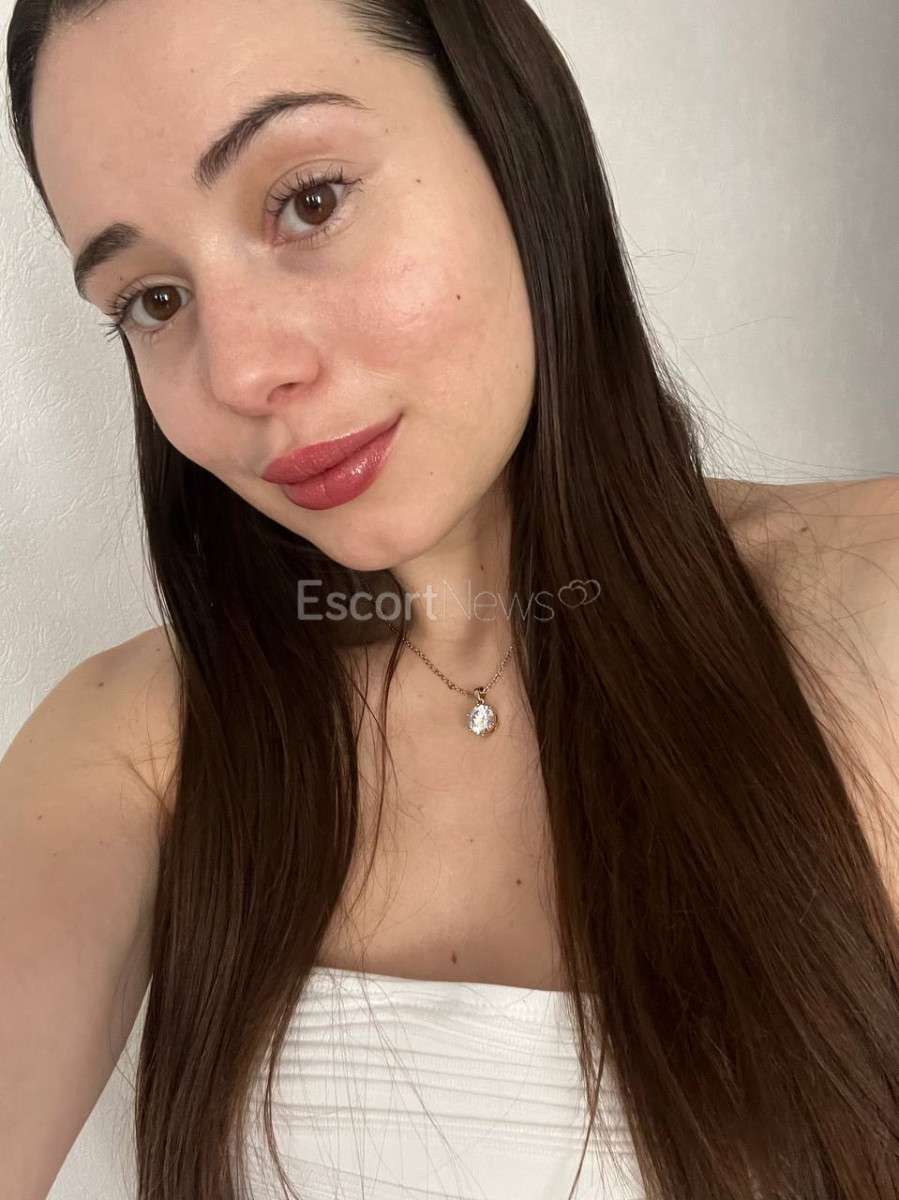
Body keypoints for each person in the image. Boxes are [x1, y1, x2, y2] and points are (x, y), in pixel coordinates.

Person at [3, 0, 899, 1197]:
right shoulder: (137, 742)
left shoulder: (870, 599)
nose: (242, 371)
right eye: (153, 300)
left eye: (308, 200)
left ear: (511, 134)